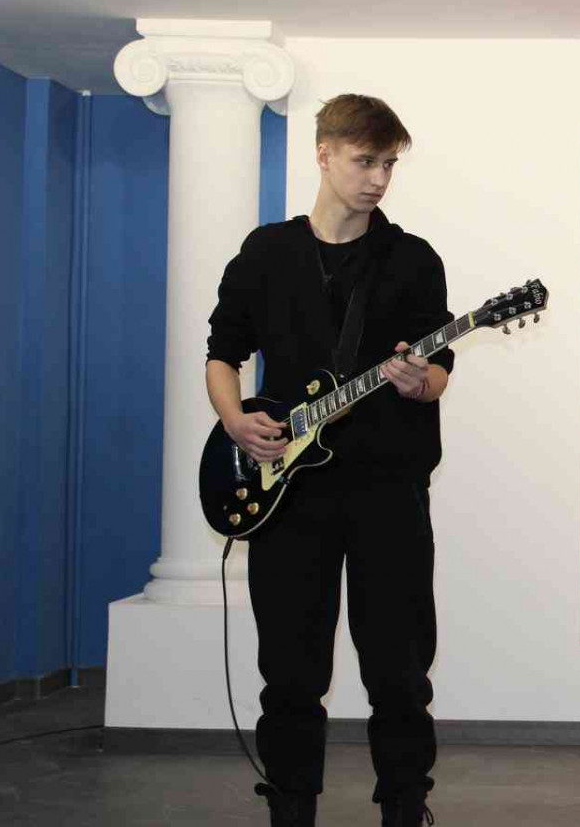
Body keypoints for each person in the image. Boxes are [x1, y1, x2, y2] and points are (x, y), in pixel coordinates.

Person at [206, 94, 451, 827]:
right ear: (323, 153)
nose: (378, 178)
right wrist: (235, 421)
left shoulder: (412, 260)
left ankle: (405, 805)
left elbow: (439, 373)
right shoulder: (266, 253)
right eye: (364, 161)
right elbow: (222, 353)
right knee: (289, 672)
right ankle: (290, 807)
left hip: (388, 491)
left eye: (388, 165)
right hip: (288, 498)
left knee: (399, 671)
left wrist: (417, 382)